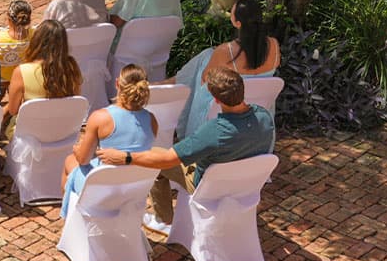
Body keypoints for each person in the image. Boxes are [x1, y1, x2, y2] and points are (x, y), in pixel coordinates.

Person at [98, 66, 276, 226]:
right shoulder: (264, 116)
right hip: (245, 185)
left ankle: (163, 219)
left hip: (209, 187)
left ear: (216, 100)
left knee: (155, 160)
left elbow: (167, 160)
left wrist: (127, 157)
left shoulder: (214, 131)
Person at [171, 0, 279, 140]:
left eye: (231, 13)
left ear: (238, 23)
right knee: (207, 55)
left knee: (203, 66)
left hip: (226, 106)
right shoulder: (274, 45)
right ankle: (174, 81)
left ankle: (188, 131)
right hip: (258, 108)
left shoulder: (225, 51)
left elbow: (205, 79)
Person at [61, 65, 157, 205]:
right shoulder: (152, 120)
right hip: (134, 189)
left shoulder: (100, 117)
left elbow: (83, 160)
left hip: (103, 190)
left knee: (70, 160)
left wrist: (77, 148)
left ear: (117, 84)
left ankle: (71, 218)